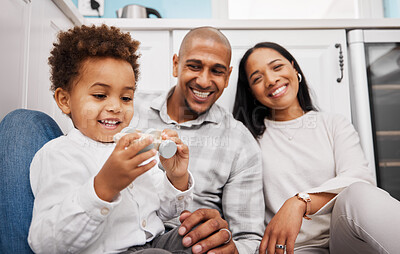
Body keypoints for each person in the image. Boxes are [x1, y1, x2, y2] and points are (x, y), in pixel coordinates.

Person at [27, 24, 194, 254]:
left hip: (154, 243)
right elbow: (46, 243)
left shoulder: (135, 147)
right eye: (99, 95)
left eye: (126, 97)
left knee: (196, 235)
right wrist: (103, 187)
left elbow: (163, 211)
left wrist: (177, 177)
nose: (116, 107)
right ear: (64, 100)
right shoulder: (58, 154)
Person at [233, 41, 400, 254]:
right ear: (251, 91)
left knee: (358, 192)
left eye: (277, 67)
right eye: (257, 78)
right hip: (295, 249)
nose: (271, 80)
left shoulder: (332, 124)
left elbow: (360, 178)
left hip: (346, 239)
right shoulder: (248, 140)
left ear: (294, 68)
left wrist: (301, 202)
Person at [130, 26, 265, 254]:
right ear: (176, 65)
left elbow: (249, 238)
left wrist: (231, 249)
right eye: (194, 66)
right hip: (119, 233)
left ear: (228, 76)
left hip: (186, 244)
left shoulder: (240, 142)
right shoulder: (128, 107)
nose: (204, 81)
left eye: (217, 71)